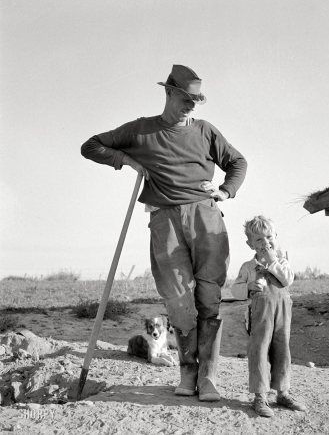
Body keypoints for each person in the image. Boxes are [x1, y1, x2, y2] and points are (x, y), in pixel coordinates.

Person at [81, 65, 247, 401]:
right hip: (164, 221)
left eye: (196, 100)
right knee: (178, 300)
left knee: (209, 298)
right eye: (186, 98)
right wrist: (128, 161)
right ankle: (187, 375)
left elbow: (238, 162)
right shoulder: (141, 130)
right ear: (169, 93)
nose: (191, 105)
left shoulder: (205, 130)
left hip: (206, 216)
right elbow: (91, 146)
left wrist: (225, 192)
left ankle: (209, 377)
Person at [231, 215, 306, 417]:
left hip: (282, 314)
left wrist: (273, 261)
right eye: (259, 240)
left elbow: (287, 280)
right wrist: (247, 287)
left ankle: (283, 393)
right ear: (250, 244)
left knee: (282, 352)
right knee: (259, 352)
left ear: (276, 236)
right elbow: (235, 290)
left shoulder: (282, 262)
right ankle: (260, 397)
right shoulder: (248, 267)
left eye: (269, 237)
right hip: (260, 316)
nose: (266, 243)